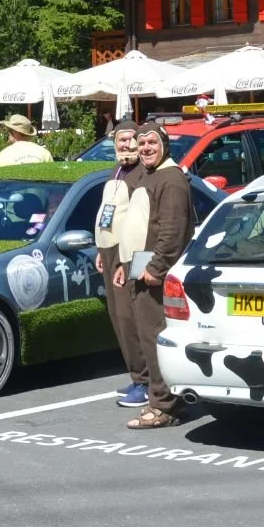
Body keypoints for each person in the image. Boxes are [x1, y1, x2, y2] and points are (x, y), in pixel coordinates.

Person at [124, 125, 196, 429]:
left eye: (152, 142)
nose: (146, 148)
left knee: (157, 340)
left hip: (156, 274)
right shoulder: (149, 175)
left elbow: (173, 231)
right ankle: (160, 398)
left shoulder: (172, 179)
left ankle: (165, 406)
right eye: (142, 143)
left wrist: (157, 267)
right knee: (148, 336)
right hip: (140, 270)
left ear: (164, 145)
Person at [93, 122, 152, 408]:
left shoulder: (142, 174)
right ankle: (135, 374)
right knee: (118, 318)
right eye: (121, 141)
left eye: (131, 140)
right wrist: (101, 249)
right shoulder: (116, 170)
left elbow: (138, 224)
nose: (126, 146)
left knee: (130, 317)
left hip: (127, 254)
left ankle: (145, 381)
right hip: (109, 252)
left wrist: (122, 261)